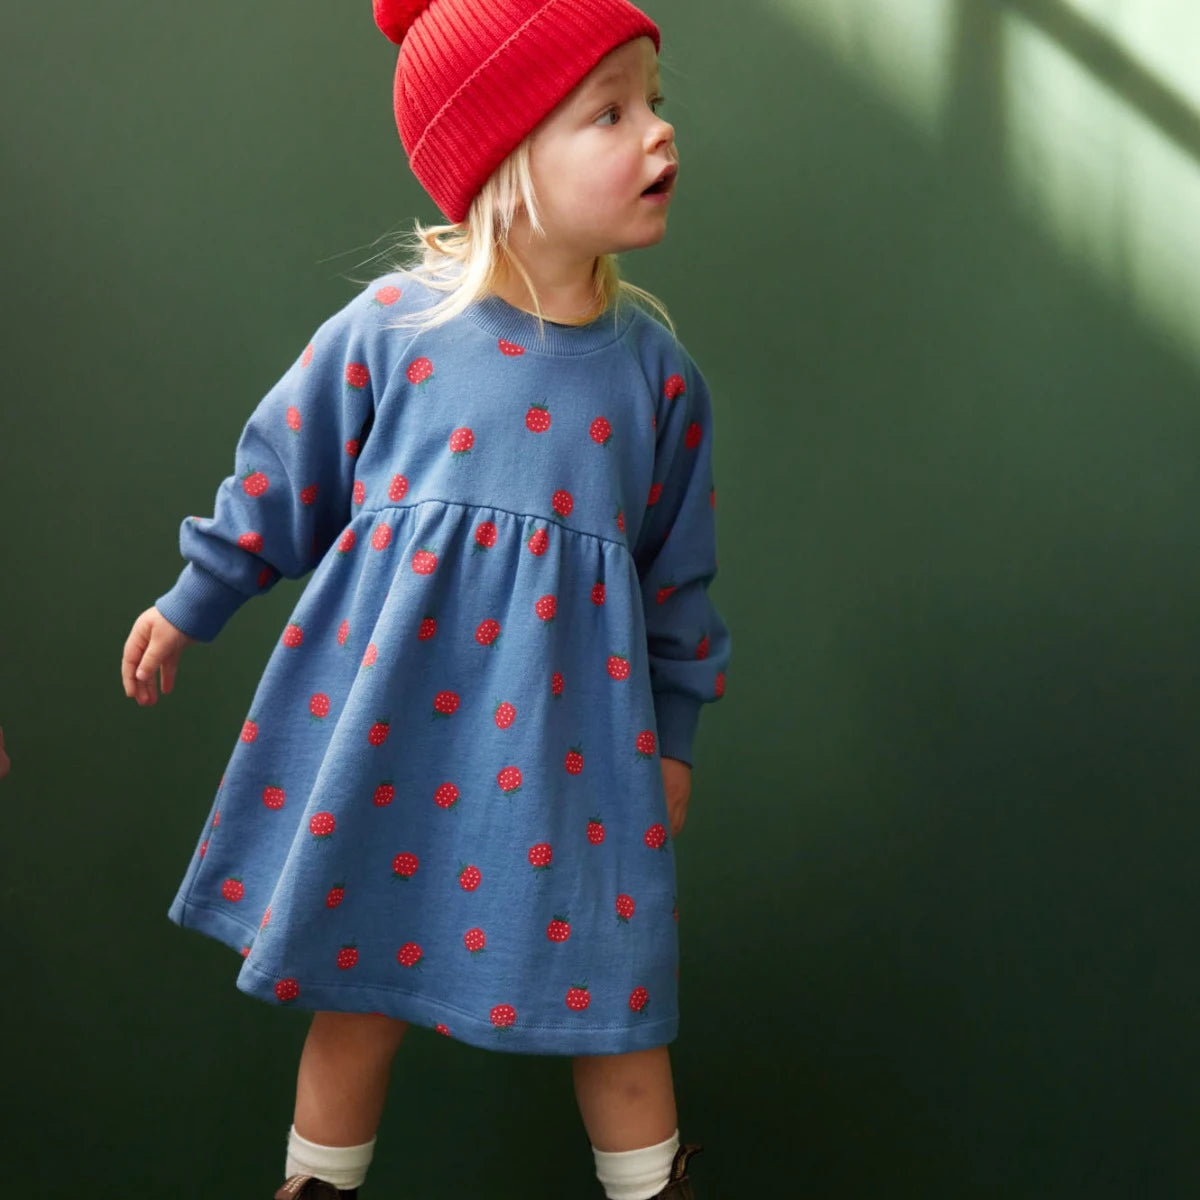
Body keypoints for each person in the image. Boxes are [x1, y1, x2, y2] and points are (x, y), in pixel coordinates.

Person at [120, 1, 732, 1196]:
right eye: (611, 111)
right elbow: (279, 474)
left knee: (620, 1017)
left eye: (656, 100)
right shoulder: (395, 333)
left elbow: (679, 583)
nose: (659, 135)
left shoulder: (658, 379)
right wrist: (196, 595)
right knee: (357, 999)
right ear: (504, 160)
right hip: (398, 737)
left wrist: (681, 742)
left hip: (580, 756)